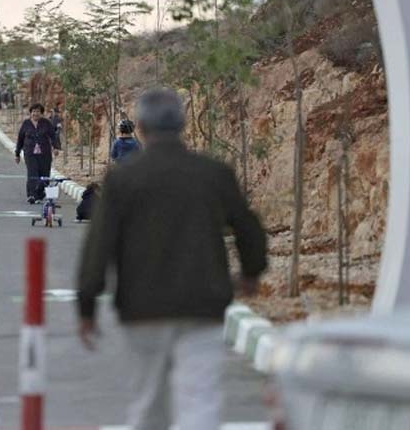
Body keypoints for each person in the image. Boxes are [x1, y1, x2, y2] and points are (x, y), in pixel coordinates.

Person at [76, 88, 268, 430]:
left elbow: (99, 243)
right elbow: (247, 225)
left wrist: (87, 305)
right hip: (203, 306)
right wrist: (251, 272)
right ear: (181, 125)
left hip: (142, 309)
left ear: (141, 127)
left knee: (149, 403)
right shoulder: (213, 173)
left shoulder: (123, 178)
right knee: (200, 401)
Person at [15, 103, 60, 204]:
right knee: (32, 174)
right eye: (33, 111)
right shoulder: (26, 124)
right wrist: (17, 154)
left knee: (44, 175)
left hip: (45, 153)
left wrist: (56, 147)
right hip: (30, 153)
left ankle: (40, 194)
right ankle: (31, 195)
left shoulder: (46, 123)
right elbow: (20, 139)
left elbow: (53, 136)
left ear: (41, 113)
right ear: (30, 113)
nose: (35, 114)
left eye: (38, 112)